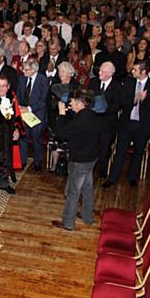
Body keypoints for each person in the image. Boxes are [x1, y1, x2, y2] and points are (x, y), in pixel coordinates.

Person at [103, 62, 150, 188]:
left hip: (143, 124)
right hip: (127, 123)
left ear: (143, 72)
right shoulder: (128, 82)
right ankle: (112, 178)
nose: (132, 72)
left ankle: (132, 177)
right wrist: (134, 100)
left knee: (138, 151)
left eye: (135, 70)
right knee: (120, 151)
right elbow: (122, 101)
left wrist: (145, 100)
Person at [51, 89, 99, 230]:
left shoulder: (80, 121)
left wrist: (61, 114)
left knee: (72, 191)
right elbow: (75, 122)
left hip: (79, 160)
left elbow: (60, 134)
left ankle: (68, 223)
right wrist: (68, 112)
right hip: (91, 157)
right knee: (87, 187)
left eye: (72, 101)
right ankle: (87, 216)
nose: (70, 102)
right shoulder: (91, 115)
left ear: (79, 104)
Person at [88, 61, 122, 180]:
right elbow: (88, 99)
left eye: (102, 71)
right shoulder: (93, 83)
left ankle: (102, 172)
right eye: (100, 70)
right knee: (91, 146)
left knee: (104, 149)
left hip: (107, 123)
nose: (99, 72)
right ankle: (89, 170)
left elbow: (117, 105)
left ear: (110, 73)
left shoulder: (117, 86)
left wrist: (102, 109)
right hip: (93, 122)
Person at [17, 58, 48, 171]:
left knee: (36, 140)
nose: (23, 72)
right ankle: (23, 161)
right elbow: (18, 95)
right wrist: (21, 108)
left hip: (37, 115)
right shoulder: (21, 79)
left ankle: (37, 163)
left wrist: (28, 108)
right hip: (23, 114)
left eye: (26, 70)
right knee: (23, 138)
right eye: (23, 69)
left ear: (34, 70)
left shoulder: (43, 80)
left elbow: (42, 101)